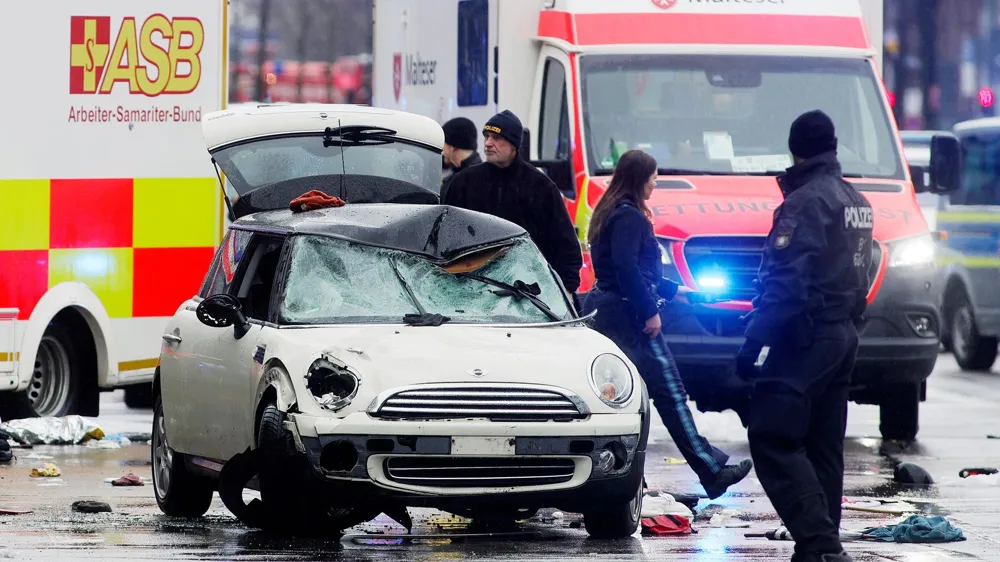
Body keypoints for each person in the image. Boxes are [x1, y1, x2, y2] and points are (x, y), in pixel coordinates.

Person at [737, 110, 873, 562]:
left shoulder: (804, 204)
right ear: (833, 147)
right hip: (842, 335)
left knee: (772, 435)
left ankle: (820, 545)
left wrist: (754, 342)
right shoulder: (856, 201)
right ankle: (819, 546)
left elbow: (786, 285)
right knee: (823, 445)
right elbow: (862, 273)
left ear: (795, 150)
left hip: (806, 338)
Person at [582, 149, 753, 500]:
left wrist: (680, 293)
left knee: (623, 401)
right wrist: (649, 311)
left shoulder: (611, 211)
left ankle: (619, 480)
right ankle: (713, 471)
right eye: (653, 176)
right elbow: (628, 271)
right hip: (629, 318)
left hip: (609, 312)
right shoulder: (629, 217)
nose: (655, 183)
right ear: (640, 178)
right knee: (671, 395)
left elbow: (630, 271)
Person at [442, 110, 583, 295]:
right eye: (486, 136)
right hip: (471, 293)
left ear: (513, 145)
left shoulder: (541, 188)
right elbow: (444, 239)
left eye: (496, 137)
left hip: (527, 296)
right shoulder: (463, 183)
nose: (488, 143)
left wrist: (566, 291)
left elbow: (566, 247)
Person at [440, 117, 482, 201]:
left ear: (452, 147)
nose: (442, 150)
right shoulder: (480, 175)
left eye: (444, 143)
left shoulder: (464, 182)